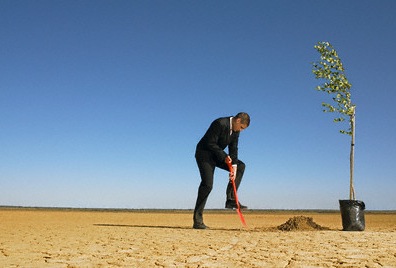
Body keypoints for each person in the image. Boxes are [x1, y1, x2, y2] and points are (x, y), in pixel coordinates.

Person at [193, 112, 250, 229]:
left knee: (240, 166)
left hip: (218, 156)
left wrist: (233, 166)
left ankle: (231, 199)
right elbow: (210, 142)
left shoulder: (236, 131)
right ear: (238, 121)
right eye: (242, 127)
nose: (241, 130)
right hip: (204, 154)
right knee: (207, 185)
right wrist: (224, 156)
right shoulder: (219, 123)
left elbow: (233, 148)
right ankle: (197, 221)